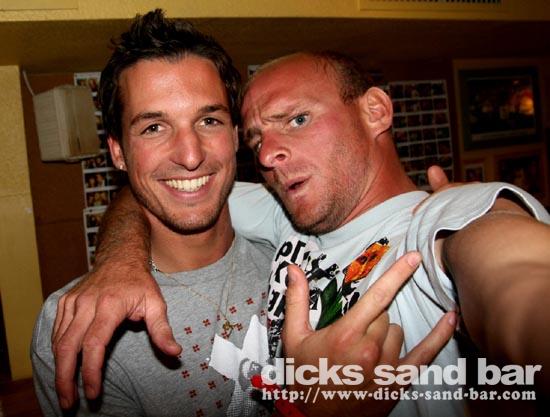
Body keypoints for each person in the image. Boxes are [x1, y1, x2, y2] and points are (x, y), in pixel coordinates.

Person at [52, 37, 550, 417]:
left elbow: (516, 278)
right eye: (255, 139)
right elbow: (161, 189)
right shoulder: (283, 213)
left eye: (296, 120)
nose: (268, 154)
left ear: (375, 111)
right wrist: (119, 262)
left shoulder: (440, 224)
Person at [32, 10, 276, 416]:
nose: (191, 155)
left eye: (209, 120)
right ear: (118, 153)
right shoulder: (81, 322)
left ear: (235, 136)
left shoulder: (295, 255)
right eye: (154, 128)